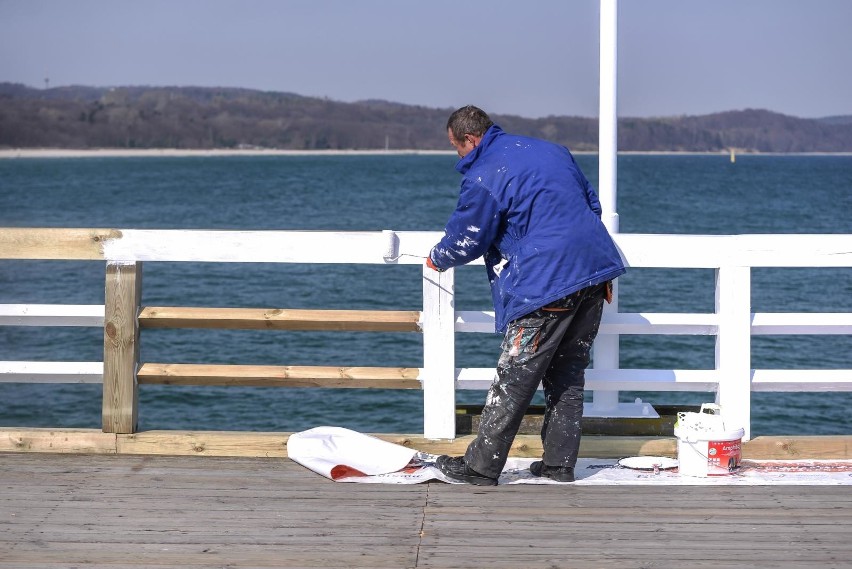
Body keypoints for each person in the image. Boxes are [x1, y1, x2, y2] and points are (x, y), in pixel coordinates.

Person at [426, 105, 626, 485]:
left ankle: (480, 467)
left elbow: (469, 237)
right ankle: (559, 464)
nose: (458, 156)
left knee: (514, 378)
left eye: (456, 147)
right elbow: (592, 205)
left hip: (545, 283)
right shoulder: (554, 151)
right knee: (567, 373)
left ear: (470, 139)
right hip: (594, 274)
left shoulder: (486, 173)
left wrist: (438, 257)